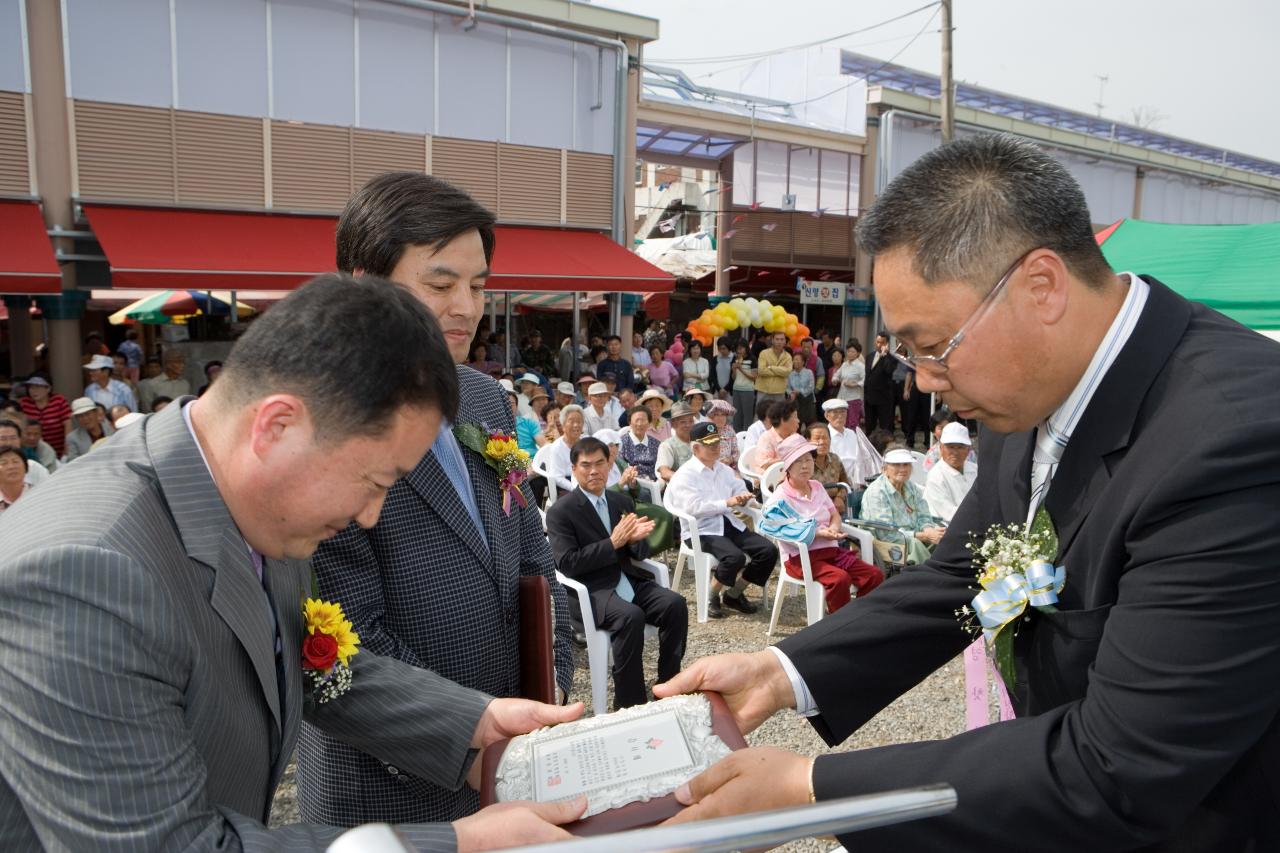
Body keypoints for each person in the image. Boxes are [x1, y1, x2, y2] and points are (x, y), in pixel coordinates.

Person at [653, 133, 1280, 853]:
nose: (921, 379)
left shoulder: (1235, 441)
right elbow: (965, 569)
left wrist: (810, 788)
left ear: (1041, 287)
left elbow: (1119, 765)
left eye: (932, 345)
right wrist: (782, 670)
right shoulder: (1026, 386)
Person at [0, 274, 586, 851]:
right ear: (277, 426)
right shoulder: (84, 575)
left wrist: (474, 724)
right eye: (374, 481)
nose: (370, 516)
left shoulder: (250, 502)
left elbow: (308, 658)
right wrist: (453, 843)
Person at [301, 173, 574, 829]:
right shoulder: (323, 423)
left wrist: (554, 673)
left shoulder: (484, 397)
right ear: (365, 283)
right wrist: (477, 733)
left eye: (479, 286)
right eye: (441, 283)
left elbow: (530, 549)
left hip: (513, 749)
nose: (467, 306)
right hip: (394, 784)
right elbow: (343, 643)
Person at [545, 437, 686, 709]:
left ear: (610, 465)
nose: (594, 471)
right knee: (630, 617)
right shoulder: (561, 511)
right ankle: (629, 702)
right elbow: (567, 563)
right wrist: (612, 543)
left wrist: (634, 541)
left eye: (600, 463)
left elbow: (640, 552)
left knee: (675, 604)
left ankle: (670, 685)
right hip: (592, 589)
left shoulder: (620, 501)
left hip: (626, 578)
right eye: (585, 465)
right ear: (574, 469)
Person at [666, 423, 777, 619]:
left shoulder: (723, 469)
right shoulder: (685, 475)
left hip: (727, 523)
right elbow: (693, 509)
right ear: (696, 448)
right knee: (735, 557)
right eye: (710, 444)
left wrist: (744, 497)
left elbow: (737, 489)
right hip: (700, 529)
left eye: (717, 442)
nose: (716, 447)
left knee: (768, 551)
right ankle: (712, 595)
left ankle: (733, 594)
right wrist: (727, 502)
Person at [768, 434, 881, 613]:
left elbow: (834, 514)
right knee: (840, 578)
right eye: (798, 461)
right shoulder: (780, 497)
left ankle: (860, 615)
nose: (805, 465)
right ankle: (840, 624)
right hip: (800, 558)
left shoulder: (817, 487)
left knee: (874, 575)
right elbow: (783, 531)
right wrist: (819, 534)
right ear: (788, 467)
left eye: (808, 459)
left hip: (830, 552)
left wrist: (834, 528)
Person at [860, 447, 945, 565]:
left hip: (915, 535)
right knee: (915, 544)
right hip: (889, 543)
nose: (902, 469)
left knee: (943, 537)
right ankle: (930, 576)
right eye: (896, 465)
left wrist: (929, 529)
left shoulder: (911, 486)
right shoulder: (876, 492)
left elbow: (923, 515)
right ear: (884, 469)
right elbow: (886, 534)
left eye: (906, 464)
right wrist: (923, 535)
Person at [923, 421, 977, 523]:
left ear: (968, 449)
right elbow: (949, 513)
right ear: (941, 448)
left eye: (960, 447)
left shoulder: (976, 470)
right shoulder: (936, 476)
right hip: (948, 528)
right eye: (950, 447)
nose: (955, 452)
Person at [822, 398, 881, 487]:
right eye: (835, 412)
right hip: (837, 480)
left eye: (842, 412)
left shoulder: (851, 433)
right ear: (827, 415)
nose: (840, 416)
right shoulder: (825, 435)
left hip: (857, 479)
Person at [18, 374, 71, 459]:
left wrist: (66, 452)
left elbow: (68, 426)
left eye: (38, 387)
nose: (34, 391)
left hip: (59, 451)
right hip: (32, 451)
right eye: (31, 387)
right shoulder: (24, 403)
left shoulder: (59, 400)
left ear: (48, 388)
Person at [806, 422, 851, 516]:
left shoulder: (835, 459)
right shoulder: (804, 463)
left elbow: (845, 482)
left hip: (836, 507)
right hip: (812, 509)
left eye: (825, 438)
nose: (822, 442)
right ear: (808, 441)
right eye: (817, 438)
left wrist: (840, 497)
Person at [544, 404, 584, 496]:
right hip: (567, 487)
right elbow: (557, 477)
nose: (576, 425)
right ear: (563, 425)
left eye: (579, 421)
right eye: (571, 421)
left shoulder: (587, 442)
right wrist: (576, 489)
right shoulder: (557, 447)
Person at [862, 331, 896, 434]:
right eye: (877, 342)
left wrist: (884, 355)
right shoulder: (869, 356)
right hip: (869, 397)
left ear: (887, 344)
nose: (879, 345)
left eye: (882, 342)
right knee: (869, 426)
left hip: (883, 398)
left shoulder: (891, 358)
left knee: (885, 426)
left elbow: (889, 370)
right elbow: (868, 375)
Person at [64, 396, 115, 463]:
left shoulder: (112, 427)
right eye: (80, 416)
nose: (85, 419)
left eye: (87, 414)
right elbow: (72, 462)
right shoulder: (73, 438)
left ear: (96, 413)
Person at [0, 419, 48, 488]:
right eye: (3, 439)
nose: (9, 443)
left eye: (13, 438)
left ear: (20, 440)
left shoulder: (35, 468)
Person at [655, 401, 696, 482]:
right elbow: (664, 472)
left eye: (691, 421)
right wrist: (685, 480)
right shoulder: (667, 445)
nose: (688, 425)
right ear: (673, 424)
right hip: (682, 488)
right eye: (683, 422)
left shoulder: (699, 441)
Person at [754, 399, 800, 469]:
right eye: (795, 417)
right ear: (783, 420)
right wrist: (791, 457)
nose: (798, 421)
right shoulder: (767, 438)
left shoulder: (795, 436)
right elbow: (765, 466)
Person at [619, 405, 661, 481]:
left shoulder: (656, 444)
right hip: (632, 484)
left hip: (655, 484)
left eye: (643, 420)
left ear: (649, 423)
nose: (640, 424)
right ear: (630, 422)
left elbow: (660, 467)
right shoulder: (621, 443)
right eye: (637, 420)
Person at [833, 338, 866, 427]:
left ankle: (853, 440)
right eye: (848, 351)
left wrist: (855, 384)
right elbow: (836, 374)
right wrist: (835, 380)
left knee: (852, 423)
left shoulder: (860, 366)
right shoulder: (844, 364)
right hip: (842, 397)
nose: (850, 354)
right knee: (842, 422)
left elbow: (865, 380)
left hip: (854, 398)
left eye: (852, 352)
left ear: (858, 353)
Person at [754, 332, 791, 407]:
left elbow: (787, 372)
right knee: (760, 415)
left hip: (779, 391)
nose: (779, 342)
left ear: (785, 341)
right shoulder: (764, 353)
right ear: (772, 340)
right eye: (777, 339)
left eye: (782, 339)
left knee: (779, 415)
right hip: (764, 390)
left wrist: (771, 367)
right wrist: (780, 371)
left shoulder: (788, 356)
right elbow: (761, 371)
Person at [729, 340, 756, 432]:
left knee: (747, 415)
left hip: (748, 390)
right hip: (736, 389)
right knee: (737, 415)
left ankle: (747, 436)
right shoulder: (735, 358)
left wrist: (741, 369)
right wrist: (733, 370)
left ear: (746, 348)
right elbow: (733, 378)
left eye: (741, 348)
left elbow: (753, 377)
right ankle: (737, 436)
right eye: (737, 349)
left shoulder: (752, 358)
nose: (739, 351)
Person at [705, 399, 739, 470]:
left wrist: (731, 459)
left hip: (729, 468)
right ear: (710, 416)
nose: (720, 418)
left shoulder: (729, 430)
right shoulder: (705, 431)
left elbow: (736, 452)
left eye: (723, 415)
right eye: (716, 415)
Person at [787, 351, 816, 426]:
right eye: (794, 359)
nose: (796, 361)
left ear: (803, 362)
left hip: (807, 400)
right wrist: (791, 393)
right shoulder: (790, 374)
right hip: (796, 400)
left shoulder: (809, 372)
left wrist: (799, 391)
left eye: (798, 359)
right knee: (796, 424)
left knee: (810, 424)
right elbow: (787, 387)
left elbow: (811, 387)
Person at [0, 446, 31, 510]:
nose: (11, 467)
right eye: (4, 463)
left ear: (26, 467)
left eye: (16, 462)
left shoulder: (38, 494)